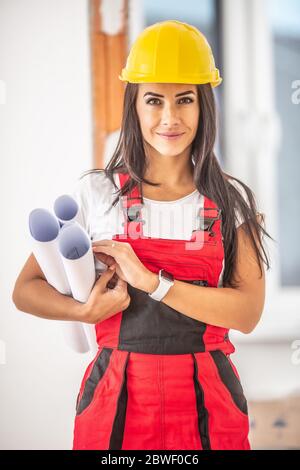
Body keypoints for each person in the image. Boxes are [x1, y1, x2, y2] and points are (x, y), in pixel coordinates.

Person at [13, 20, 273, 450]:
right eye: (154, 100)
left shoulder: (231, 201)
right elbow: (25, 290)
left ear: (204, 106)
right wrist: (84, 313)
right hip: (116, 399)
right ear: (134, 105)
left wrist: (152, 283)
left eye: (184, 100)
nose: (169, 118)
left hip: (208, 403)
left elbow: (246, 313)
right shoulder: (97, 193)